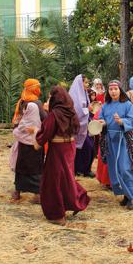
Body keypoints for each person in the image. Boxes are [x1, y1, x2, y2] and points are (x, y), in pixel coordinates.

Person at [36, 86, 90, 226]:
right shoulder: (71, 112)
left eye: (50, 97)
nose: (49, 99)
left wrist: (37, 140)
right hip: (69, 147)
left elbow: (45, 132)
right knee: (66, 176)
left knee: (52, 181)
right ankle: (78, 198)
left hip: (58, 149)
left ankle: (57, 215)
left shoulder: (54, 114)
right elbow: (77, 128)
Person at [98, 80, 133, 210]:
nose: (113, 92)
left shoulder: (127, 104)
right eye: (110, 89)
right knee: (115, 170)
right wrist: (102, 122)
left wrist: (121, 121)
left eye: (115, 89)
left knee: (125, 169)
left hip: (123, 141)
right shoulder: (105, 106)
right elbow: (102, 119)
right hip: (110, 140)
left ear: (120, 90)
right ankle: (126, 196)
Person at [9, 79, 47, 202]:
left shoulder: (22, 101)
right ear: (33, 89)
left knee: (21, 166)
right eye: (37, 87)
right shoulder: (37, 103)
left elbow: (17, 119)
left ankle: (17, 191)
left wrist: (19, 129)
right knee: (36, 168)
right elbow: (45, 119)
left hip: (22, 140)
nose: (39, 90)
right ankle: (38, 194)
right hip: (35, 141)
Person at [69, 74, 94, 178]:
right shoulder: (74, 95)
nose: (87, 85)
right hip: (77, 126)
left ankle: (85, 169)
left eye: (88, 82)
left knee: (89, 147)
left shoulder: (84, 94)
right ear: (80, 83)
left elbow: (85, 107)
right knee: (80, 148)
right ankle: (77, 169)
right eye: (86, 82)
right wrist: (87, 110)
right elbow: (77, 111)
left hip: (85, 125)